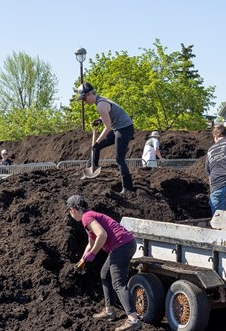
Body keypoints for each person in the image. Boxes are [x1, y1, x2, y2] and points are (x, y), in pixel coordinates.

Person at [66, 194, 141, 331]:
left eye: (70, 212)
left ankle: (133, 319)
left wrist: (93, 253)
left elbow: (102, 235)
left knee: (118, 283)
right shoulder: (89, 216)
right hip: (124, 245)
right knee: (105, 274)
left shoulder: (86, 217)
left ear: (73, 210)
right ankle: (109, 311)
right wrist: (81, 260)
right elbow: (91, 243)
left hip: (122, 246)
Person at [78, 83, 135, 193]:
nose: (84, 102)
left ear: (89, 94)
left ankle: (127, 188)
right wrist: (100, 119)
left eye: (84, 99)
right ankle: (92, 172)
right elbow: (109, 114)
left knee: (119, 158)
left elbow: (107, 127)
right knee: (96, 148)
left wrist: (97, 141)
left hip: (124, 129)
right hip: (117, 128)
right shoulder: (100, 100)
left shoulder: (100, 105)